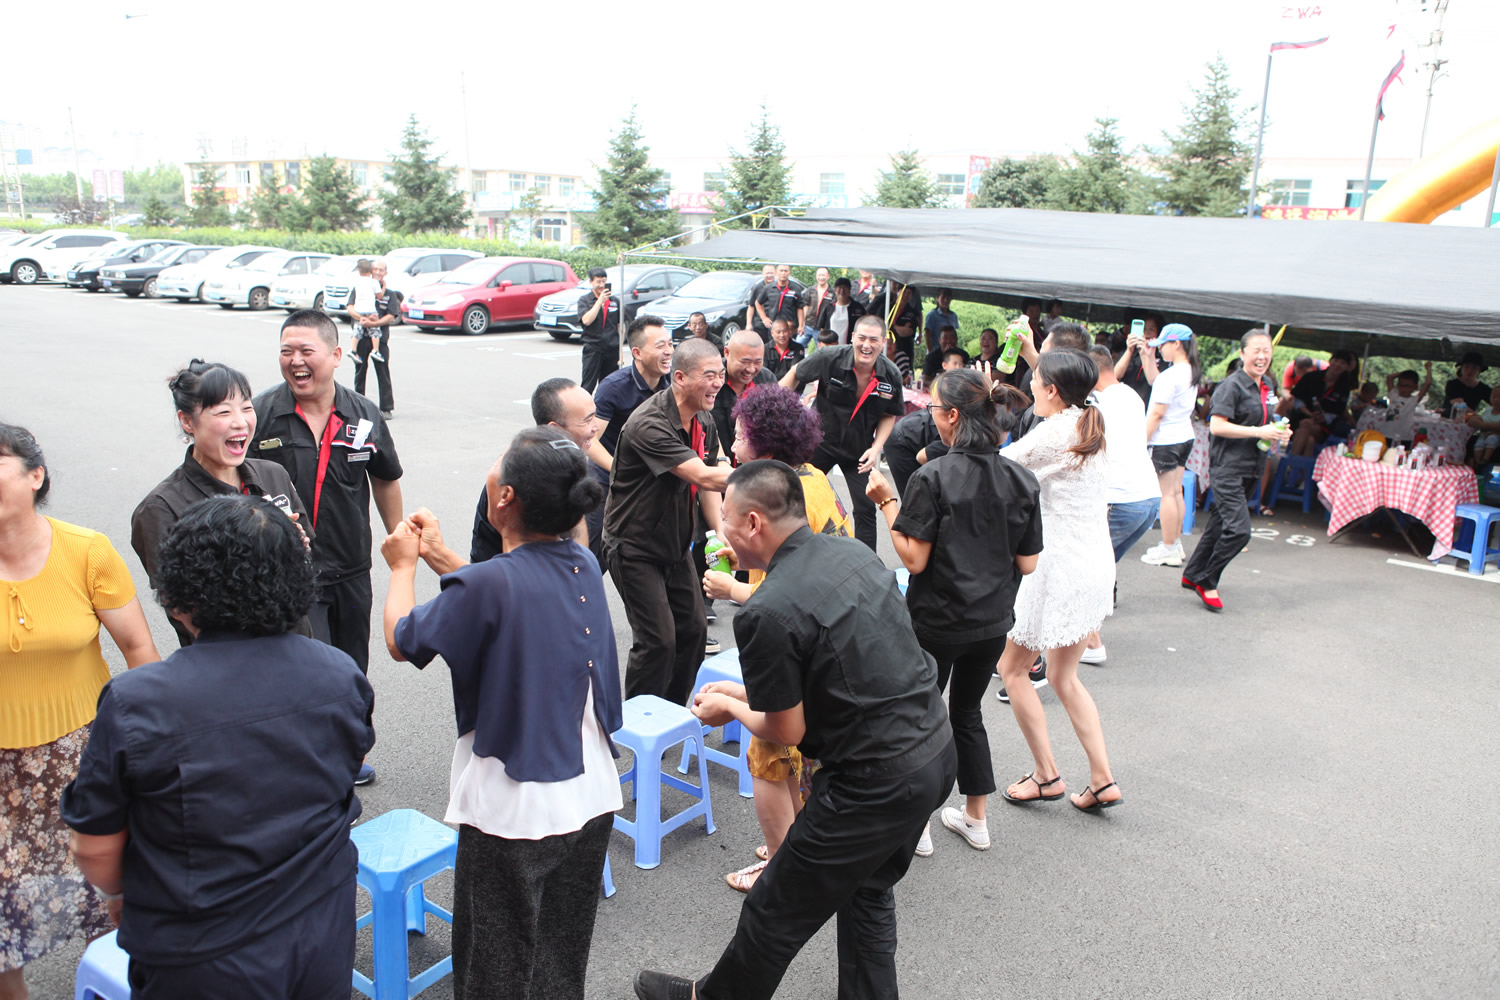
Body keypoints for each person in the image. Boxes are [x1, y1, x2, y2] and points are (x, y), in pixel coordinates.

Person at [633, 460, 955, 1000]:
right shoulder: (852, 553)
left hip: (871, 784)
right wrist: (742, 695)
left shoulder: (766, 610)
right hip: (933, 753)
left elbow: (784, 729)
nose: (720, 529)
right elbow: (839, 674)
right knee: (868, 894)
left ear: (753, 523)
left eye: (725, 518)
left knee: (774, 907)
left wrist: (729, 709)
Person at [59, 494, 372, 999]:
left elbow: (94, 846)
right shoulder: (339, 673)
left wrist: (120, 895)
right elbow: (347, 766)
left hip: (201, 950)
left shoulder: (139, 701)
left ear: (182, 594)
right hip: (321, 924)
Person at [382, 428, 619, 1000]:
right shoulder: (582, 563)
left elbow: (400, 639)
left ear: (506, 496)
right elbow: (503, 588)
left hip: (515, 809)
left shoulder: (487, 585)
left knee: (493, 971)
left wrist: (402, 568)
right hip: (593, 792)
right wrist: (440, 556)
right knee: (560, 958)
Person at [0, 424, 159, 1000]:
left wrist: (153, 748)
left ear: (35, 476)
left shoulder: (86, 551)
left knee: (113, 900)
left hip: (82, 755)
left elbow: (138, 650)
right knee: (2, 927)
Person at [867, 367, 1042, 854]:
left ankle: (918, 826)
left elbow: (914, 559)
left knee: (923, 717)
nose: (930, 416)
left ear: (950, 417)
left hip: (936, 622)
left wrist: (886, 501)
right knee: (967, 713)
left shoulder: (932, 476)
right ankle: (976, 818)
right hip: (992, 623)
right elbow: (1027, 562)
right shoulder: (1021, 478)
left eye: (933, 409)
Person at [699, 386, 851, 893]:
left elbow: (779, 600)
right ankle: (797, 846)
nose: (733, 445)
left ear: (765, 443)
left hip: (798, 646)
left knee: (767, 753)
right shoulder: (812, 480)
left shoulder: (786, 497)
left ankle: (782, 870)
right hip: (831, 641)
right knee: (796, 756)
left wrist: (730, 588)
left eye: (740, 435)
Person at [252, 309, 402, 782]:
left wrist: (398, 538)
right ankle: (314, 768)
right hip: (290, 573)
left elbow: (385, 478)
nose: (295, 361)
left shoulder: (363, 414)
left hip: (352, 568)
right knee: (308, 671)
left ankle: (349, 753)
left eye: (306, 351)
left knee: (351, 669)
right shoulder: (261, 414)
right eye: (286, 352)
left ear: (336, 355)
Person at [994, 349, 1122, 813]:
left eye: (1036, 380)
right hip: (1094, 565)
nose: (1030, 385)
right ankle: (1102, 780)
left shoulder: (1054, 431)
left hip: (1059, 568)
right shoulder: (1090, 422)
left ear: (1051, 390)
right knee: (1064, 677)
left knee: (1013, 670)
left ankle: (1046, 774)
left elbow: (995, 466)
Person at [133, 359, 311, 648]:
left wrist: (298, 545)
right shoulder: (161, 508)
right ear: (187, 421)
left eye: (246, 408)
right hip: (224, 658)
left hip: (294, 647)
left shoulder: (273, 475)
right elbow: (180, 605)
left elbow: (307, 562)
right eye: (224, 412)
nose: (240, 422)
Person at [602, 337, 730, 703]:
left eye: (720, 374)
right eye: (709, 375)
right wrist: (767, 475)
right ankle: (638, 721)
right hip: (634, 547)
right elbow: (702, 475)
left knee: (693, 631)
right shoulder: (649, 423)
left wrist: (720, 531)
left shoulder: (703, 418)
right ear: (680, 377)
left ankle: (670, 712)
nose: (718, 383)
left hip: (675, 545)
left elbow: (709, 480)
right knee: (658, 640)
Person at [1180, 329, 1291, 610]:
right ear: (1242, 354)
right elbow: (1217, 426)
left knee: (1220, 523)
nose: (1262, 356)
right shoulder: (1231, 386)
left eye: (1267, 350)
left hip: (1253, 466)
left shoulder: (1267, 385)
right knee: (1239, 531)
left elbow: (1266, 420)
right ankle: (1207, 580)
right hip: (1228, 466)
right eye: (1256, 350)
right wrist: (1258, 431)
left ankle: (1193, 574)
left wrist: (1279, 432)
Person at [779, 315, 905, 550]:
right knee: (794, 494)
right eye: (862, 338)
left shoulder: (891, 375)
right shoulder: (829, 357)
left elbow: (890, 414)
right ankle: (788, 551)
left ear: (883, 343)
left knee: (866, 508)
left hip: (859, 451)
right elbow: (796, 373)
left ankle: (867, 563)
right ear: (852, 337)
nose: (866, 345)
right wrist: (774, 407)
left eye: (874, 340)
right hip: (819, 443)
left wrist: (876, 449)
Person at [1080, 345, 1162, 664]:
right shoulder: (1131, 395)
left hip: (1119, 499)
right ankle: (1083, 634)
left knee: (1086, 568)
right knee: (1102, 567)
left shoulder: (1099, 402)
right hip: (1147, 498)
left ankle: (1091, 643)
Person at [471, 377, 598, 563]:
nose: (596, 427)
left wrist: (578, 568)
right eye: (587, 420)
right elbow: (511, 560)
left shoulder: (567, 459)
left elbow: (577, 535)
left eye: (595, 416)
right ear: (554, 429)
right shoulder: (514, 475)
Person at [584, 316, 675, 559]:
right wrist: (619, 468)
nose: (669, 351)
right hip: (607, 481)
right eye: (660, 346)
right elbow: (590, 440)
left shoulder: (673, 385)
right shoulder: (613, 387)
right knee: (595, 552)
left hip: (650, 482)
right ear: (637, 352)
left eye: (670, 344)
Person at [1140, 324, 1202, 568]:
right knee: (1176, 492)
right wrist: (1147, 357)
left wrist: (1140, 443)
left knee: (1167, 495)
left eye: (1163, 345)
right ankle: (1174, 543)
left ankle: (1168, 548)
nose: (1161, 350)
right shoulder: (1189, 371)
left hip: (1165, 440)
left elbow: (1156, 414)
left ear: (1176, 344)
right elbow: (1154, 381)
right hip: (1184, 437)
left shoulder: (1171, 375)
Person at [351, 258, 401, 419]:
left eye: (381, 270)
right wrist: (362, 319)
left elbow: (391, 315)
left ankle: (386, 408)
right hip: (361, 338)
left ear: (385, 273)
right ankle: (358, 407)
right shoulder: (360, 287)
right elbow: (350, 308)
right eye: (375, 269)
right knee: (360, 372)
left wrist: (374, 323)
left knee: (383, 372)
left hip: (380, 340)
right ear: (370, 271)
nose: (378, 272)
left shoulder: (389, 294)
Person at [883, 407, 948, 497]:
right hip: (902, 440)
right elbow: (922, 457)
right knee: (916, 497)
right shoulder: (955, 442)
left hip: (922, 432)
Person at [578, 267, 622, 393]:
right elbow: (586, 320)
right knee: (588, 385)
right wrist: (599, 302)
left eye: (604, 281)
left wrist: (620, 349)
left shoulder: (614, 301)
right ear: (591, 282)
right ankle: (584, 405)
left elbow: (620, 326)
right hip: (593, 348)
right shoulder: (585, 300)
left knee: (609, 386)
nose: (601, 285)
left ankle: (603, 406)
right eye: (598, 282)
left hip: (611, 349)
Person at [1374, 363, 1434, 446]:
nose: (1403, 389)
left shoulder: (1413, 400)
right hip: (1386, 434)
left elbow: (1428, 383)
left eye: (1408, 386)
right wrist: (1404, 373)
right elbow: (1389, 377)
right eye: (1401, 385)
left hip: (1404, 437)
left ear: (1415, 387)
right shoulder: (1393, 395)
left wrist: (1428, 369)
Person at [753, 264, 803, 346]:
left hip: (789, 326)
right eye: (781, 271)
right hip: (774, 324)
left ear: (789, 272)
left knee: (790, 347)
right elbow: (758, 303)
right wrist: (764, 318)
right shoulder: (769, 288)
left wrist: (801, 325)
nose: (783, 273)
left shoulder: (795, 288)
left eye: (785, 271)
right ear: (776, 273)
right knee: (773, 347)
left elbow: (800, 307)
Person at [1444, 351, 1492, 415]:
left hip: (1469, 419)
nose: (1469, 371)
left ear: (1479, 370)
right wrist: (1477, 417)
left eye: (1474, 368)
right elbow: (1460, 405)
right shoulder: (1452, 384)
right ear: (1461, 368)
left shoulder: (1483, 388)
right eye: (1466, 367)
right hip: (1448, 418)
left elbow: (1496, 401)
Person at [826, 277, 865, 346]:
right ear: (835, 290)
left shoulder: (857, 307)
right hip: (831, 346)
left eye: (845, 288)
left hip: (850, 346)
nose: (842, 290)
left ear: (849, 290)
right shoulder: (829, 307)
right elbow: (823, 328)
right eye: (839, 288)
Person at [801, 267, 835, 343]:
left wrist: (826, 327)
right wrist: (802, 324)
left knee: (821, 348)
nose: (821, 278)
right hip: (808, 325)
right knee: (798, 344)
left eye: (823, 275)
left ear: (828, 276)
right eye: (819, 275)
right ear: (816, 276)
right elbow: (805, 306)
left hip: (821, 328)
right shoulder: (810, 290)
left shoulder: (832, 293)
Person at [923, 288, 959, 353]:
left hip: (949, 352)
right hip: (936, 351)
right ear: (937, 298)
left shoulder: (953, 316)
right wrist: (931, 352)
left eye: (948, 298)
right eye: (943, 298)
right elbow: (927, 335)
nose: (945, 300)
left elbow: (954, 335)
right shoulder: (932, 315)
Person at [746, 264, 776, 338]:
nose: (769, 275)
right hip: (760, 322)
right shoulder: (757, 287)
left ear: (775, 273)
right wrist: (748, 324)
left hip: (775, 321)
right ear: (763, 274)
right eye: (767, 273)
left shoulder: (779, 287)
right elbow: (751, 306)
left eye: (771, 273)